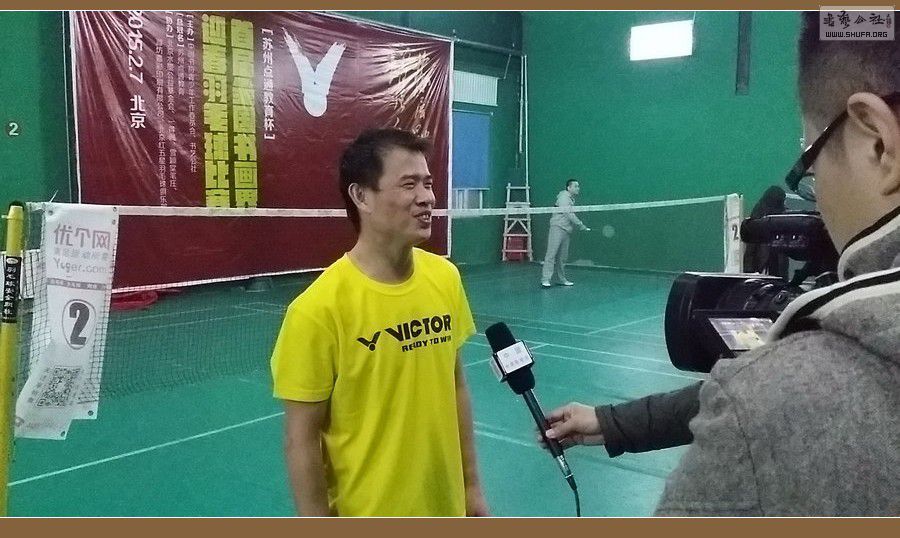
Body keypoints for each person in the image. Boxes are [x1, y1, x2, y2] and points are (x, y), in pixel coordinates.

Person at [544, 12, 900, 515]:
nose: (815, 191)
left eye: (810, 157)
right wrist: (612, 420)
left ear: (878, 142)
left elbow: (769, 396)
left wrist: (757, 392)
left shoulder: (772, 403)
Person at [270, 128, 489, 517]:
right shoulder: (316, 311)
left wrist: (471, 487)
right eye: (408, 184)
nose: (427, 197)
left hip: (447, 507)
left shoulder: (445, 278)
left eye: (428, 183)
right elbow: (300, 441)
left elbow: (455, 385)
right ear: (361, 196)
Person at [541, 179, 590, 288]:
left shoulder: (571, 199)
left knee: (562, 257)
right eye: (575, 186)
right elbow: (568, 213)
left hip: (566, 229)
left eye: (578, 186)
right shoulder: (563, 197)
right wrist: (580, 225)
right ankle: (545, 279)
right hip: (557, 227)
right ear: (569, 188)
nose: (578, 188)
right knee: (551, 254)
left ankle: (561, 279)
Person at [743, 185, 789, 276]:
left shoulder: (760, 210)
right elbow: (751, 246)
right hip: (765, 258)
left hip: (771, 259)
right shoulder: (761, 212)